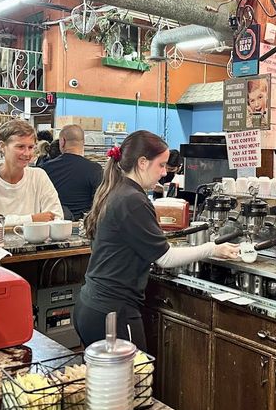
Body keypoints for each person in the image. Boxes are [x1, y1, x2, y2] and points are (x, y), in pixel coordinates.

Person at [74, 130, 239, 350]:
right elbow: (166, 258)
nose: (164, 173)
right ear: (142, 163)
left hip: (92, 306)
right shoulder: (133, 200)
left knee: (108, 374)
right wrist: (212, 249)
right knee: (136, 373)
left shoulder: (117, 189)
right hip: (113, 313)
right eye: (161, 165)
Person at [0, 119, 63, 226]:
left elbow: (56, 217)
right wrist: (32, 219)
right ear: (2, 146)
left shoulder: (39, 176)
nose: (27, 153)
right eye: (20, 147)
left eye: (31, 147)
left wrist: (5, 221)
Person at [41, 125, 103, 220]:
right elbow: (100, 203)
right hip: (83, 223)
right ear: (83, 142)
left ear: (62, 142)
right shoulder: (95, 169)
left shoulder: (45, 168)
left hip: (54, 223)